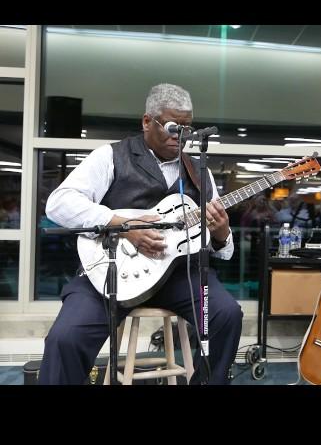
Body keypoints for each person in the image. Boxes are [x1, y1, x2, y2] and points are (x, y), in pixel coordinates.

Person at [39, 83, 243, 385]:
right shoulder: (110, 156)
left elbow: (219, 249)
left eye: (187, 128)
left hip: (179, 274)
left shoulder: (201, 172)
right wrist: (122, 224)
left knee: (227, 315)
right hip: (111, 269)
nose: (181, 136)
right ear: (147, 122)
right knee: (65, 337)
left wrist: (222, 233)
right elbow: (59, 204)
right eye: (173, 127)